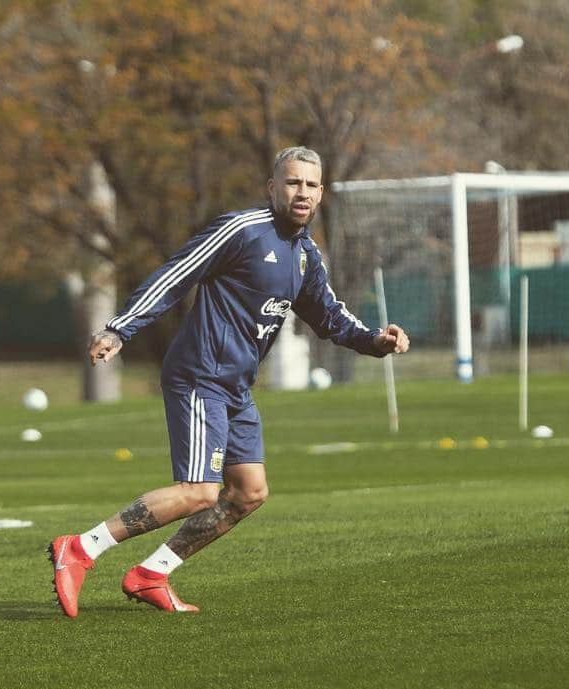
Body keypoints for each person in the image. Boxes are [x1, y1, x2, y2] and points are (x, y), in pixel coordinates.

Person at [49, 146, 410, 616]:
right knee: (199, 491)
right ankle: (80, 548)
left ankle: (151, 573)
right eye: (292, 182)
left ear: (321, 193)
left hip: (237, 386)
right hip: (199, 375)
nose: (301, 192)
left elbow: (330, 317)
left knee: (248, 492)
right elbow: (175, 275)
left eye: (310, 185)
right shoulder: (241, 231)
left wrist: (374, 341)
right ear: (273, 187)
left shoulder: (305, 255)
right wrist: (121, 328)